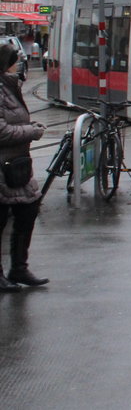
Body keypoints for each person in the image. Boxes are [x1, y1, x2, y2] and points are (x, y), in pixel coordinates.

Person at [0, 43, 48, 291]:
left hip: (17, 167)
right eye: (15, 59)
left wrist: (31, 125)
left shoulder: (10, 86)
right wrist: (32, 131)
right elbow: (1, 131)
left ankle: (19, 268)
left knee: (28, 209)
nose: (19, 63)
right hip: (3, 167)